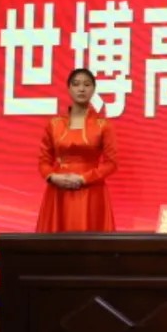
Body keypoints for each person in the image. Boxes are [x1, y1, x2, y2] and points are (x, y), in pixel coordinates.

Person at [36, 68, 118, 233]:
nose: (81, 89)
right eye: (76, 84)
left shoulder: (103, 125)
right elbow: (44, 160)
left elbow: (111, 163)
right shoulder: (54, 124)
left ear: (93, 90)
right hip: (58, 190)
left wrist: (83, 178)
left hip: (91, 191)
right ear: (69, 88)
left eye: (87, 85)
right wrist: (52, 177)